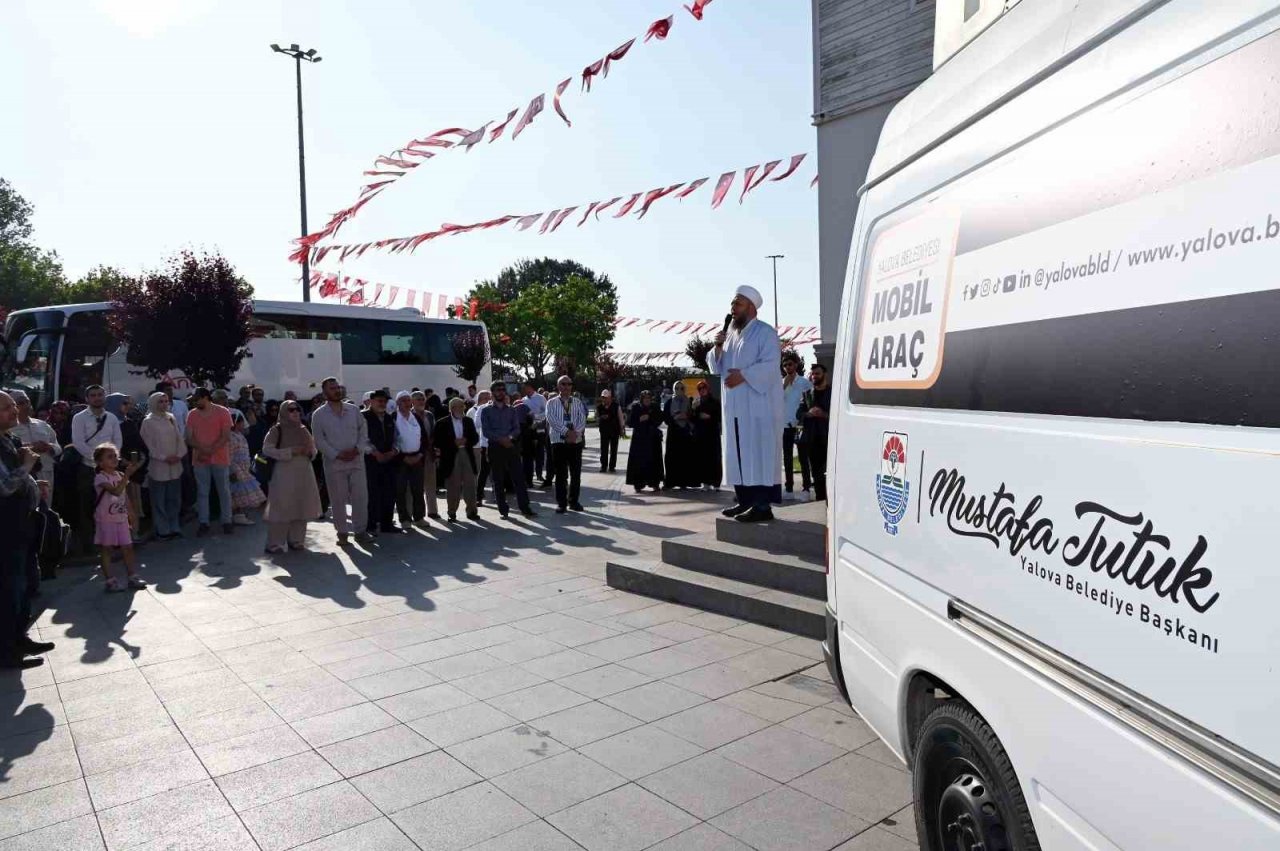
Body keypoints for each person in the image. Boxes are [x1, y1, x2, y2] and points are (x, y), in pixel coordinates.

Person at [710, 284, 785, 522]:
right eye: (732, 304)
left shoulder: (765, 333)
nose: (733, 308)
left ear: (751, 307)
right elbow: (716, 367)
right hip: (734, 410)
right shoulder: (731, 335)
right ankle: (744, 501)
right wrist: (718, 347)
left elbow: (771, 366)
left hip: (758, 409)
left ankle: (762, 505)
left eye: (737, 304)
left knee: (759, 454)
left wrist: (743, 375)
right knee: (738, 454)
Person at [0, 392, 55, 669]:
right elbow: (5, 487)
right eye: (7, 407)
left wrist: (35, 485)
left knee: (22, 587)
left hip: (21, 523)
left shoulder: (10, 439)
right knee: (9, 590)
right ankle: (7, 651)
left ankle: (19, 638)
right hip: (5, 529)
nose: (14, 411)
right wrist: (26, 467)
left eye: (14, 405)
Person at [310, 377, 372, 545]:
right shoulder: (319, 415)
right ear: (324, 393)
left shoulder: (353, 410)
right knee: (338, 499)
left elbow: (363, 431)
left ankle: (360, 531)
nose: (336, 390)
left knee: (360, 498)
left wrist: (358, 449)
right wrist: (337, 454)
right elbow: (319, 440)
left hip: (356, 461)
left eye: (338, 387)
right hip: (335, 464)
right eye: (332, 388)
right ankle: (342, 533)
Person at [261, 401, 322, 553]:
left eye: (297, 409)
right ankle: (274, 543)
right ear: (283, 412)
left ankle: (297, 540)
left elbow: (314, 450)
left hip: (304, 472)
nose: (295, 412)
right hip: (284, 472)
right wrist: (290, 451)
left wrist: (310, 452)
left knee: (301, 504)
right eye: (291, 410)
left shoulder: (303, 429)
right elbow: (267, 449)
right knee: (282, 506)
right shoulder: (276, 430)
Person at [70, 384, 123, 553]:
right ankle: (91, 545)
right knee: (88, 507)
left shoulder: (112, 418)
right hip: (88, 468)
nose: (97, 398)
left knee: (112, 505)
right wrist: (98, 460)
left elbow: (118, 441)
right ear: (87, 399)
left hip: (109, 469)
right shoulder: (79, 418)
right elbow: (78, 442)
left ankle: (113, 541)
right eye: (93, 395)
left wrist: (110, 460)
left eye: (100, 394)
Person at [481, 381, 537, 518]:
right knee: (498, 480)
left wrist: (510, 438)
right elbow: (486, 431)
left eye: (502, 389)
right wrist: (501, 439)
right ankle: (503, 509)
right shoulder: (486, 411)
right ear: (493, 392)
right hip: (495, 447)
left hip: (511, 446)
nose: (501, 392)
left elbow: (516, 428)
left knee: (519, 478)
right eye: (497, 390)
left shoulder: (512, 410)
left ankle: (525, 507)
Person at [92, 444, 145, 592]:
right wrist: (127, 476)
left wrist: (131, 514)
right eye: (109, 457)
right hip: (106, 519)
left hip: (120, 518)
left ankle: (132, 576)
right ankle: (110, 580)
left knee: (128, 547)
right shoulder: (100, 478)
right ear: (100, 462)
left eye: (115, 455)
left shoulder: (119, 475)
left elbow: (124, 496)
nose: (114, 459)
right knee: (107, 549)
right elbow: (115, 491)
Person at [186, 388, 234, 536]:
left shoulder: (223, 412)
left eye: (197, 399)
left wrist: (210, 450)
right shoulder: (192, 414)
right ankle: (204, 522)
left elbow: (226, 436)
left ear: (206, 398)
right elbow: (189, 438)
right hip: (200, 460)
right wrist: (203, 450)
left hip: (219, 458)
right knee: (202, 492)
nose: (195, 402)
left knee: (224, 491)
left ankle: (227, 521)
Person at [141, 391, 186, 540]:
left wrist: (179, 455)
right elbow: (148, 445)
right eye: (161, 401)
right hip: (158, 467)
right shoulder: (148, 421)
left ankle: (174, 526)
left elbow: (179, 438)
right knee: (159, 501)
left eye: (166, 401)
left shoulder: (171, 418)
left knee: (174, 499)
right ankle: (162, 529)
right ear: (154, 403)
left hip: (175, 466)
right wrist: (163, 458)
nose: (164, 404)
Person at [7, 390, 60, 503]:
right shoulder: (8, 428)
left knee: (46, 506)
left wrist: (48, 447)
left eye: (27, 401)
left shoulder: (42, 425)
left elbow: (58, 447)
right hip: (24, 474)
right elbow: (8, 451)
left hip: (46, 471)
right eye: (21, 403)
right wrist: (32, 448)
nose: (25, 405)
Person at [106, 394, 147, 539]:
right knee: (118, 504)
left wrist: (139, 461)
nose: (128, 406)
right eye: (124, 403)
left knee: (134, 501)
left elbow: (138, 444)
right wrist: (122, 461)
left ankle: (133, 533)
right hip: (116, 470)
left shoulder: (129, 422)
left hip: (133, 470)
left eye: (129, 403)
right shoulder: (107, 424)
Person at [362, 389, 402, 536]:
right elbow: (362, 439)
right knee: (372, 494)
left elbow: (397, 438)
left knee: (389, 493)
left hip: (389, 461)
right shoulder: (363, 417)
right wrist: (375, 452)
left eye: (384, 401)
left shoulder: (390, 418)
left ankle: (386, 524)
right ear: (371, 401)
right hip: (371, 461)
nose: (382, 404)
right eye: (379, 401)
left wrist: (394, 451)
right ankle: (370, 525)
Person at [546, 375, 588, 514]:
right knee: (561, 474)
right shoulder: (551, 403)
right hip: (559, 442)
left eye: (569, 384)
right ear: (558, 386)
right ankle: (561, 503)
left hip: (575, 442)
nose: (566, 386)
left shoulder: (577, 402)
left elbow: (582, 419)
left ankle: (574, 501)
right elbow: (551, 420)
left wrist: (575, 433)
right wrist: (566, 432)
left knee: (576, 474)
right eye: (563, 384)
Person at [434, 397, 480, 522]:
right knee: (453, 486)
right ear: (451, 408)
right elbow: (437, 441)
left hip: (466, 453)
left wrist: (466, 440)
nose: (460, 409)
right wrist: (452, 442)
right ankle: (452, 512)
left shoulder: (468, 421)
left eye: (461, 406)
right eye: (457, 406)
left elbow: (475, 438)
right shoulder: (442, 423)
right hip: (451, 456)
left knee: (470, 484)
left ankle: (472, 511)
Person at [393, 391, 432, 526]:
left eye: (408, 400)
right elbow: (391, 441)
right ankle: (404, 519)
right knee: (401, 491)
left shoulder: (416, 417)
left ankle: (419, 517)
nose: (406, 403)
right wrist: (403, 457)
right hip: (400, 460)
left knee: (418, 490)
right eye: (403, 400)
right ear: (398, 403)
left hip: (417, 458)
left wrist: (420, 454)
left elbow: (424, 439)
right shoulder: (393, 417)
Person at [781, 355, 813, 494]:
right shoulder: (781, 383)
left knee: (802, 457)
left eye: (790, 364)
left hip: (800, 425)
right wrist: (784, 385)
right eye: (785, 365)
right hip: (785, 425)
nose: (788, 367)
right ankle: (789, 487)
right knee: (787, 457)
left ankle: (806, 487)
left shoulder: (804, 382)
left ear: (796, 365)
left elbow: (810, 401)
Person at [228, 410, 266, 526]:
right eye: (241, 423)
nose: (243, 425)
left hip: (244, 467)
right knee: (238, 491)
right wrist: (232, 470)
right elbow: (229, 455)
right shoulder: (230, 437)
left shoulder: (239, 435)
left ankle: (241, 514)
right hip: (236, 467)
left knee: (243, 491)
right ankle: (237, 515)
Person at [801, 363, 832, 502]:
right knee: (816, 471)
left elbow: (838, 415)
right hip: (812, 438)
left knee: (830, 471)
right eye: (813, 374)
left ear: (824, 375)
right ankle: (820, 498)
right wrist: (808, 413)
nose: (814, 376)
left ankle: (831, 498)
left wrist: (824, 414)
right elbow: (798, 414)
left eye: (817, 373)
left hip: (829, 437)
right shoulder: (807, 394)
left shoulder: (833, 393)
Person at [625, 391, 664, 492]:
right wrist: (639, 419)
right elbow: (629, 422)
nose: (647, 399)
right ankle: (638, 484)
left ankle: (654, 483)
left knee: (654, 460)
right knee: (639, 462)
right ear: (641, 399)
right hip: (639, 439)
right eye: (645, 398)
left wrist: (650, 418)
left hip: (652, 439)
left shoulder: (655, 407)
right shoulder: (636, 407)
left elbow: (660, 419)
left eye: (648, 397)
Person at [662, 381, 699, 490]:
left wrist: (686, 415)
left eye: (682, 388)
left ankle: (684, 482)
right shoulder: (669, 402)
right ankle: (671, 481)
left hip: (685, 433)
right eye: (677, 388)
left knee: (685, 457)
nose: (679, 390)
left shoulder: (689, 401)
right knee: (671, 457)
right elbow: (666, 418)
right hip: (673, 433)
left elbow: (693, 416)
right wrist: (675, 418)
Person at [691, 380, 722, 490]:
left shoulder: (715, 401)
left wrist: (709, 417)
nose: (702, 390)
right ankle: (706, 482)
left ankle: (716, 483)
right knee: (703, 458)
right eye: (700, 389)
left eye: (704, 388)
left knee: (715, 458)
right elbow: (692, 418)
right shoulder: (696, 402)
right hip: (701, 434)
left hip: (712, 433)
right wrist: (694, 410)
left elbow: (720, 417)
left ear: (708, 389)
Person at [520, 382, 549, 487]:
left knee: (539, 453)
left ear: (531, 387)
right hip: (528, 431)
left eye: (526, 387)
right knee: (528, 454)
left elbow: (547, 412)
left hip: (539, 428)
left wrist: (535, 416)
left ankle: (539, 473)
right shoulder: (523, 400)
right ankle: (529, 477)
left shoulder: (541, 398)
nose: (524, 389)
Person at [468, 390, 492, 503]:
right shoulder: (472, 411)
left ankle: (495, 491)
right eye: (487, 397)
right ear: (481, 398)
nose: (490, 399)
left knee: (493, 471)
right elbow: (473, 427)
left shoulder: (493, 408)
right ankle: (478, 494)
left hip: (492, 443)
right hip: (478, 445)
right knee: (481, 471)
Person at [595, 390, 623, 473]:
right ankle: (603, 466)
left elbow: (620, 417)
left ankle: (612, 466)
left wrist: (622, 429)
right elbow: (596, 418)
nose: (604, 399)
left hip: (615, 430)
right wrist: (601, 417)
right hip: (604, 431)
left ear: (610, 398)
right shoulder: (599, 407)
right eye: (603, 397)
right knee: (604, 449)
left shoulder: (616, 406)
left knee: (614, 449)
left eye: (606, 397)